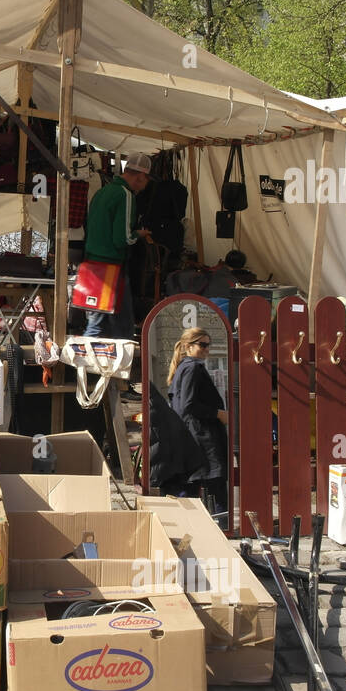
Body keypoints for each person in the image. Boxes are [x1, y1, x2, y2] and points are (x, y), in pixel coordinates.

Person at [83, 151, 152, 338]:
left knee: (98, 321)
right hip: (111, 267)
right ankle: (115, 364)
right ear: (140, 177)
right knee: (119, 326)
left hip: (92, 263)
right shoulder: (125, 195)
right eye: (146, 180)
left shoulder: (102, 192)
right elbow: (122, 238)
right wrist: (139, 234)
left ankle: (87, 364)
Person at [166, 326, 228, 513]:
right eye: (202, 345)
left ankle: (193, 527)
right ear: (188, 346)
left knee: (191, 487)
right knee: (215, 487)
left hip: (191, 438)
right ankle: (219, 528)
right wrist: (217, 414)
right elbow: (188, 405)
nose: (207, 349)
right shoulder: (192, 368)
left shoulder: (184, 369)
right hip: (201, 437)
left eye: (208, 345)